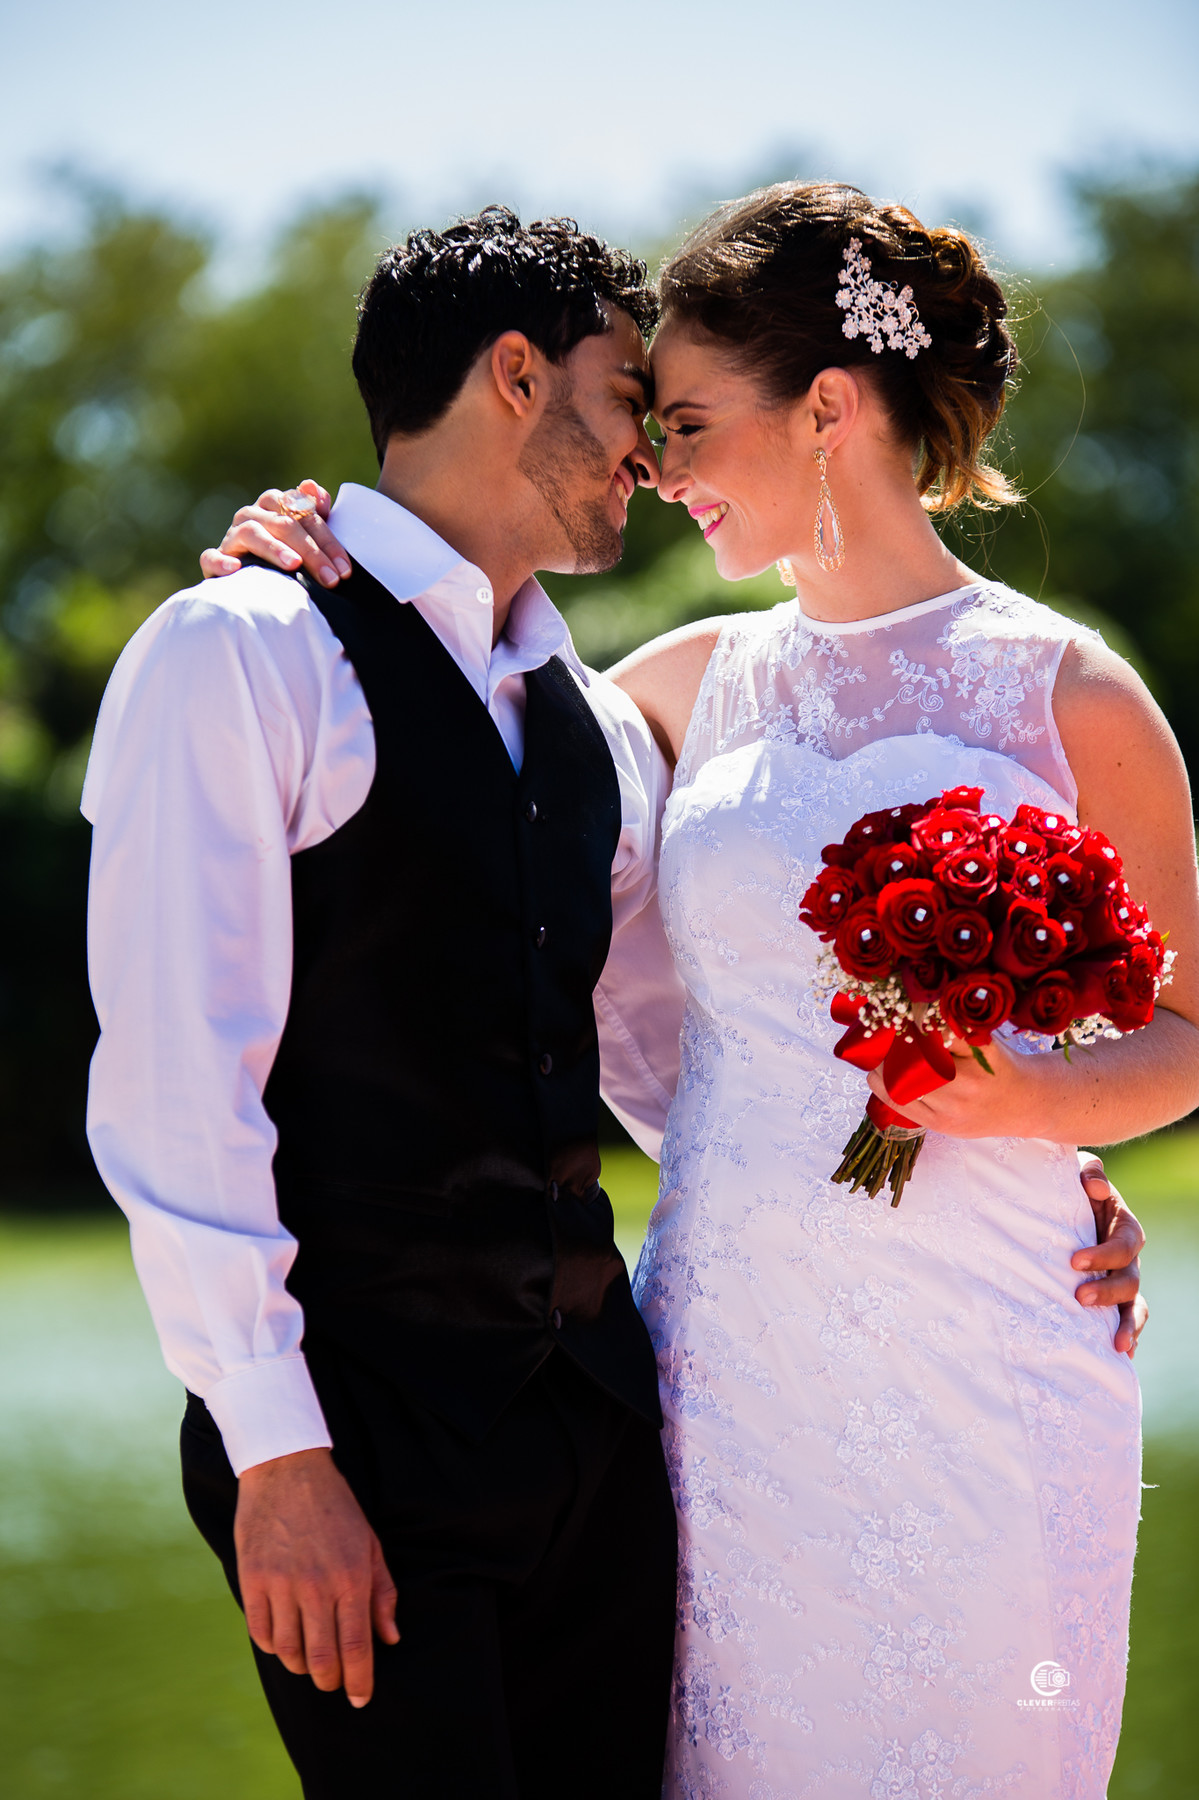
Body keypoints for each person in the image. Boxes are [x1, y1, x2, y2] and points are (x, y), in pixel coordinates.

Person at [212, 184, 1172, 1798]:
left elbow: (1187, 1034)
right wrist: (298, 561)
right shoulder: (664, 692)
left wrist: (1047, 1118)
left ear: (829, 412)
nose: (652, 464)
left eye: (689, 419)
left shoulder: (1072, 695)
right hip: (725, 1379)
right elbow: (445, 747)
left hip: (996, 1343)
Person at [83, 207, 683, 1800]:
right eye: (629, 397)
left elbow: (668, 1065)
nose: (652, 455)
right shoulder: (240, 650)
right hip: (360, 1439)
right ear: (513, 373)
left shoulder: (600, 724)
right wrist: (278, 1454)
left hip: (602, 1434)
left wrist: (994, 1171)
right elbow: (170, 1087)